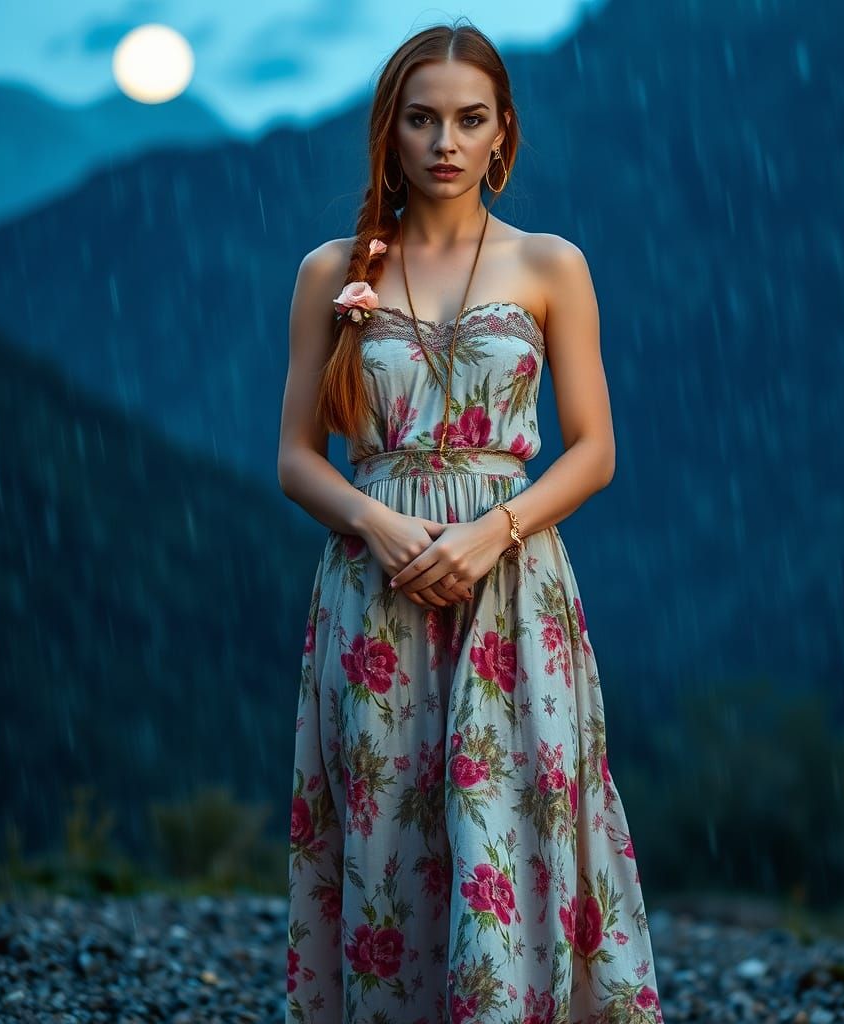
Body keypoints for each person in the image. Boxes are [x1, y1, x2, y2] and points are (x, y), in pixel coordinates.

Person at [278, 19, 662, 1024]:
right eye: (421, 119)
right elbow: (295, 459)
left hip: (515, 588)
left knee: (518, 832)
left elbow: (594, 449)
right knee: (387, 845)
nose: (444, 141)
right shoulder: (331, 271)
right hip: (377, 593)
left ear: (503, 133)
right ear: (389, 131)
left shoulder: (549, 263)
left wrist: (495, 531)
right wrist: (374, 522)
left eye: (468, 119)